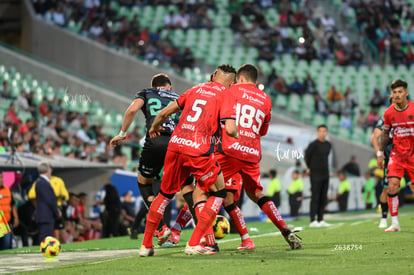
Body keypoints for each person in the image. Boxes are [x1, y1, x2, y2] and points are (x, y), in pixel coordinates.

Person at [138, 64, 238, 256]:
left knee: (164, 195)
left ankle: (146, 246)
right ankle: (193, 243)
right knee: (219, 193)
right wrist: (238, 135)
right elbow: (231, 129)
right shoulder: (227, 94)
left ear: (213, 76)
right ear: (231, 82)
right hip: (198, 150)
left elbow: (164, 113)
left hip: (176, 145)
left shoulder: (195, 88)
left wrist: (154, 128)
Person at [214, 64, 302, 250]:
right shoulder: (266, 99)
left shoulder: (231, 90)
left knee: (205, 189)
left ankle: (202, 240)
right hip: (252, 152)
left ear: (241, 78)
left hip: (229, 149)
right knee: (255, 194)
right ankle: (283, 231)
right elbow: (262, 130)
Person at [109, 73, 193, 241]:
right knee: (188, 187)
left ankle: (161, 228)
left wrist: (122, 134)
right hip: (178, 144)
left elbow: (132, 109)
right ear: (169, 87)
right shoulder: (178, 97)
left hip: (155, 140)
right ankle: (203, 233)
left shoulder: (147, 92)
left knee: (144, 183)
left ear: (154, 86)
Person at [377, 79, 414, 232]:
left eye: (400, 92)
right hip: (397, 155)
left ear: (406, 93)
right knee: (391, 186)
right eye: (394, 92)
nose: (397, 95)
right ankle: (395, 223)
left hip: (412, 154)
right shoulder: (388, 113)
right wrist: (380, 152)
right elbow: (385, 134)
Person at [371, 95, 394, 228]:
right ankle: (384, 218)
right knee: (386, 188)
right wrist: (379, 153)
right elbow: (375, 136)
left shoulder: (408, 116)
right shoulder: (385, 118)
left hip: (407, 156)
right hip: (391, 157)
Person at [28, 175, 69, 243]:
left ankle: (61, 248)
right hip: (47, 210)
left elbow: (66, 196)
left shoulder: (58, 180)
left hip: (58, 207)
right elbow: (31, 195)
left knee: (62, 231)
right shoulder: (39, 182)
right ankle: (52, 248)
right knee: (53, 233)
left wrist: (62, 196)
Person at [305, 125, 332, 227]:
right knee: (315, 196)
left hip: (325, 173)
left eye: (324, 131)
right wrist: (310, 167)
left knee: (323, 196)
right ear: (317, 132)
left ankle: (321, 219)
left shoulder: (328, 145)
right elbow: (307, 156)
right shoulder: (313, 145)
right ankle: (313, 220)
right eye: (320, 131)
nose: (322, 133)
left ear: (327, 132)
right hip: (315, 173)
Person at [35, 161, 60, 242]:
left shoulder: (41, 182)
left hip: (45, 216)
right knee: (45, 238)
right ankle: (44, 252)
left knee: (46, 237)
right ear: (48, 170)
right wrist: (56, 211)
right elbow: (49, 200)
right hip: (45, 216)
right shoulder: (42, 182)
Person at [0, 172, 19, 250]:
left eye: (1, 177)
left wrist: (16, 217)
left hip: (7, 222)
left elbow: (13, 205)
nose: (1, 180)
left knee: (7, 245)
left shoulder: (8, 189)